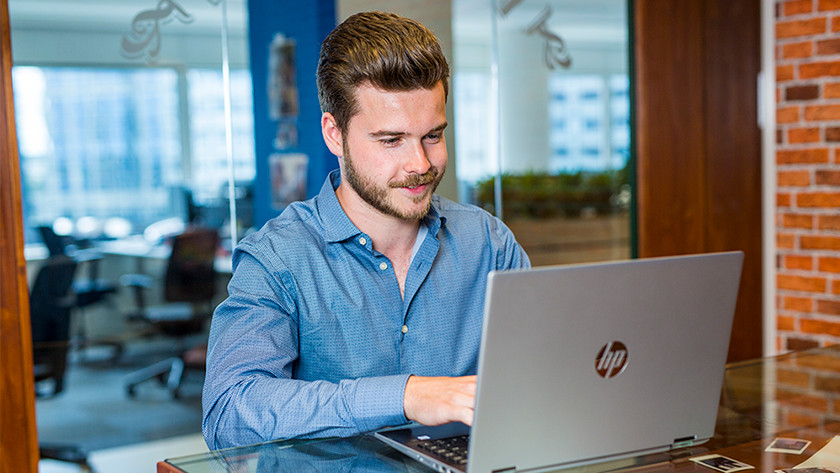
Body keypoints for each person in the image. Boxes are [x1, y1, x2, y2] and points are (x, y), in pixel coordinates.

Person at [202, 11, 530, 450]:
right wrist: (406, 395)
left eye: (432, 135)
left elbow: (538, 382)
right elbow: (229, 410)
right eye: (391, 140)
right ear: (334, 135)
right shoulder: (277, 258)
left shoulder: (489, 245)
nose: (421, 164)